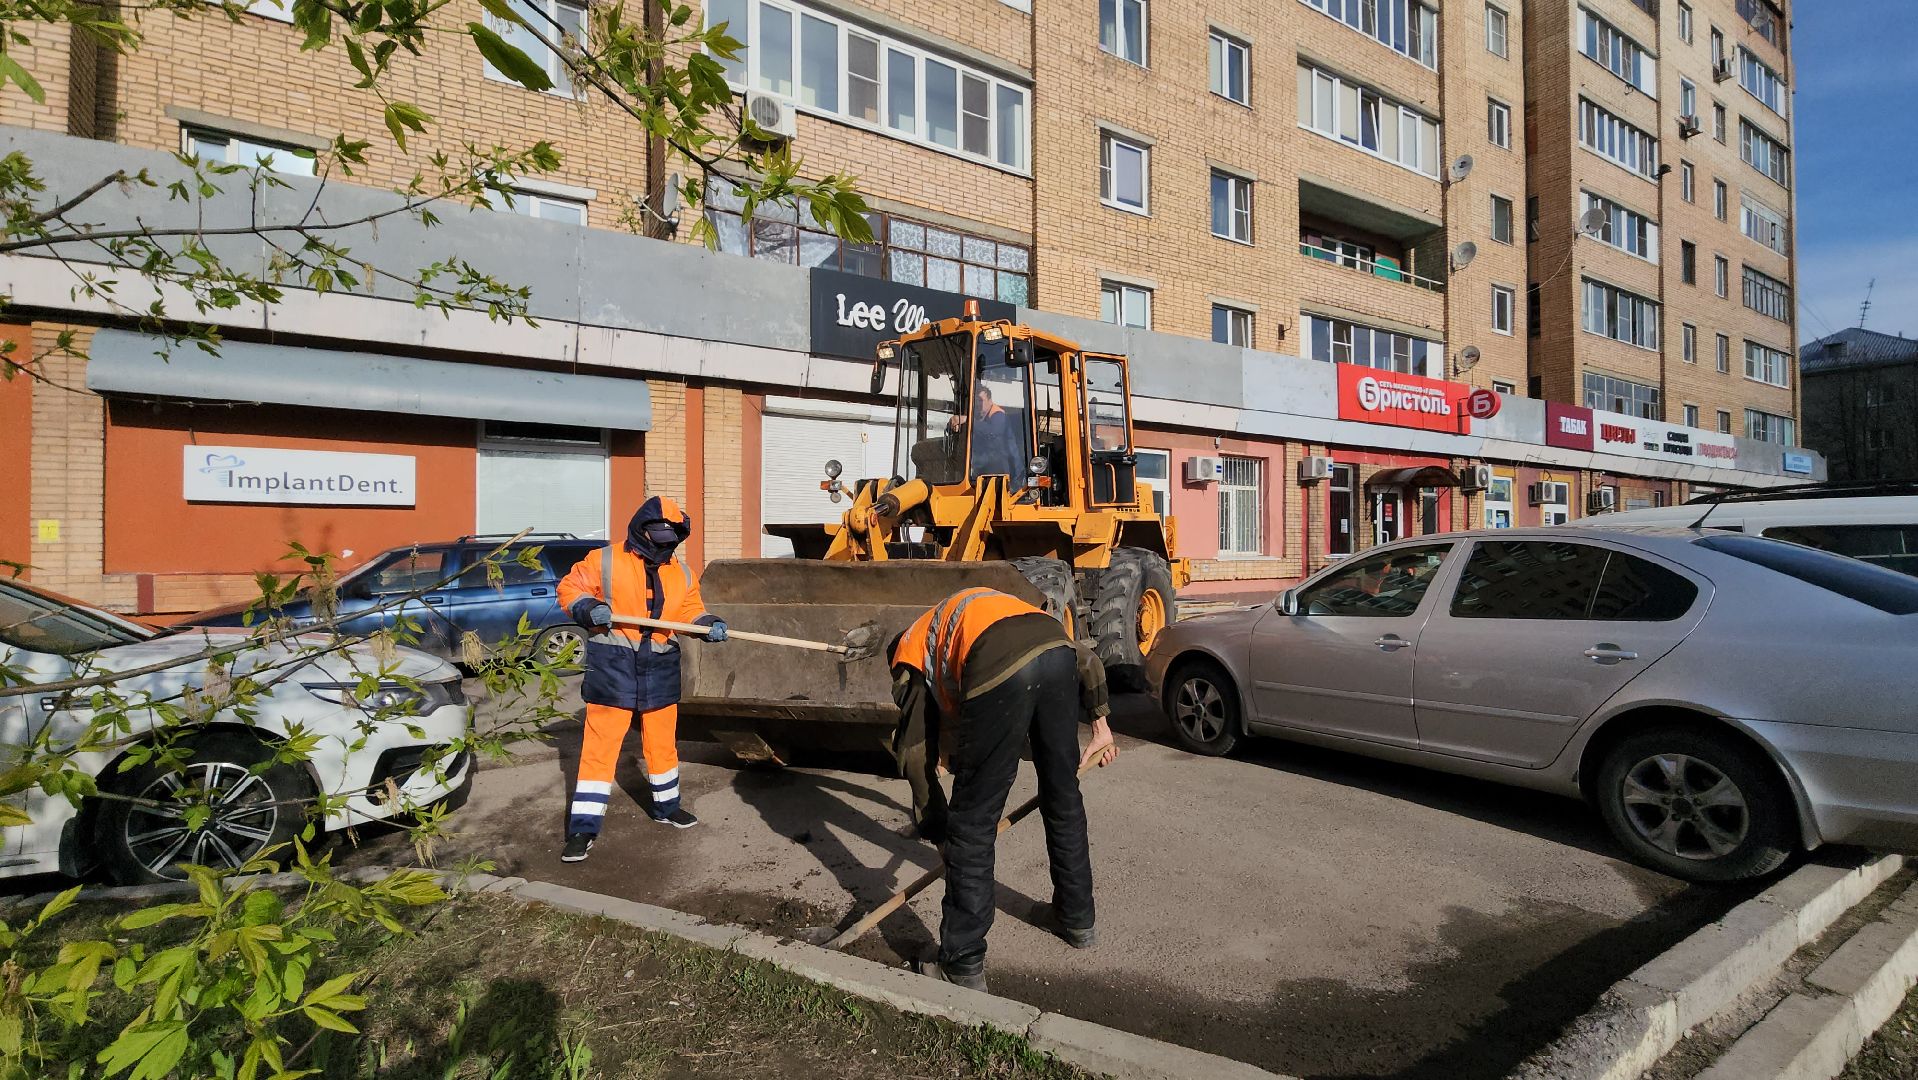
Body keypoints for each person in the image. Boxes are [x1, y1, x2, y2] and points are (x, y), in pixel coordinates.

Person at [888, 586, 1118, 993]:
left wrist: (938, 828)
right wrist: (1101, 724)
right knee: (1062, 796)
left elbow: (914, 754)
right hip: (1057, 655)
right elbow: (1083, 655)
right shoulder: (983, 610)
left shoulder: (909, 657)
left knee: (972, 823)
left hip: (1001, 667)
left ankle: (961, 962)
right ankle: (1076, 918)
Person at [556, 496, 726, 863]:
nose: (664, 546)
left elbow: (689, 610)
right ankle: (584, 828)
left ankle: (668, 808)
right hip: (613, 665)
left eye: (671, 540)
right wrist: (588, 607)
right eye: (659, 538)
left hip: (660, 666)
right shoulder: (603, 560)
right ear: (640, 529)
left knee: (663, 745)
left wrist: (707, 624)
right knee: (600, 749)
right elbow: (570, 589)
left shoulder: (680, 572)